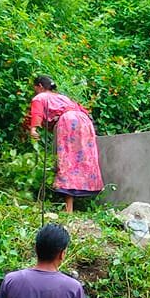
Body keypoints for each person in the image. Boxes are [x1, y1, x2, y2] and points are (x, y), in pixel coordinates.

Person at [27, 75, 104, 213]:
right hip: (84, 121)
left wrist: (33, 129)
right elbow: (83, 110)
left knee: (67, 161)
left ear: (39, 86)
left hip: (68, 122)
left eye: (35, 88)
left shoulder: (40, 97)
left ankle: (69, 209)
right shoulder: (62, 97)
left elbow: (37, 113)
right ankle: (74, 205)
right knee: (82, 160)